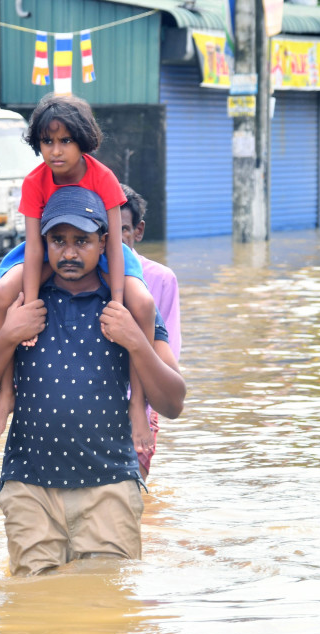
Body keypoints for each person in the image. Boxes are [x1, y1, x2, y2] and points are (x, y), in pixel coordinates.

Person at [0, 187, 185, 576]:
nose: (68, 252)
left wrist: (135, 341)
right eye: (57, 240)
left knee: (105, 606)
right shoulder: (23, 300)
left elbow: (173, 403)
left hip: (110, 483)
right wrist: (10, 334)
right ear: (41, 243)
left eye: (82, 240)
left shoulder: (127, 306)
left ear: (104, 243)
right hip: (29, 485)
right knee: (35, 608)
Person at [0, 93, 157, 458]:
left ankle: (137, 407)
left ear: (83, 142)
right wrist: (29, 306)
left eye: (65, 141)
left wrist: (117, 304)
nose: (56, 151)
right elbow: (33, 246)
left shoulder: (102, 177)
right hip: (47, 249)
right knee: (0, 295)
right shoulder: (35, 181)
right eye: (48, 141)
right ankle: (5, 395)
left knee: (143, 305)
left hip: (103, 250)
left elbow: (112, 242)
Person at [119, 184, 182, 478]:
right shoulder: (81, 274)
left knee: (131, 499)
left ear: (138, 231)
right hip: (90, 408)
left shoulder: (160, 280)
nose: (114, 241)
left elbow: (167, 363)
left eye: (124, 230)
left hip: (141, 408)